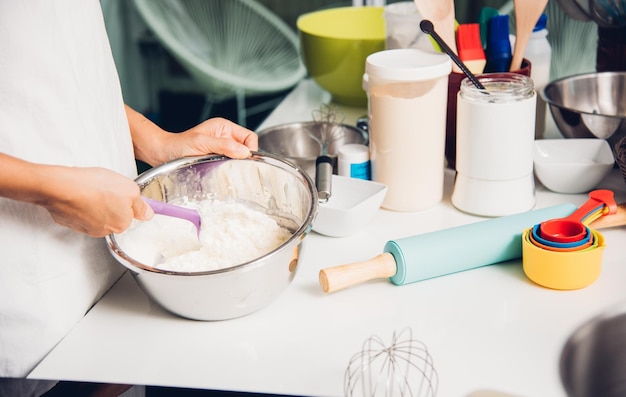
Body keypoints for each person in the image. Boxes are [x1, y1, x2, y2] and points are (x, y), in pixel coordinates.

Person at [0, 1, 258, 396]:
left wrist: (159, 143)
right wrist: (51, 188)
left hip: (117, 256)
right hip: (30, 281)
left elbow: (53, 72)